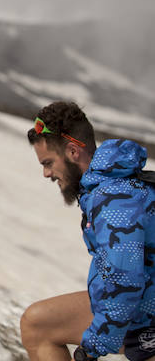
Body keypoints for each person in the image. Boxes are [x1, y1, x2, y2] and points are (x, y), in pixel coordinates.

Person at [20, 101, 154, 361]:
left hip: (146, 315)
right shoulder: (110, 188)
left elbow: (124, 280)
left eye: (48, 162)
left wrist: (92, 348)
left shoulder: (115, 198)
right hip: (143, 307)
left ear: (72, 151)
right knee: (37, 325)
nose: (46, 173)